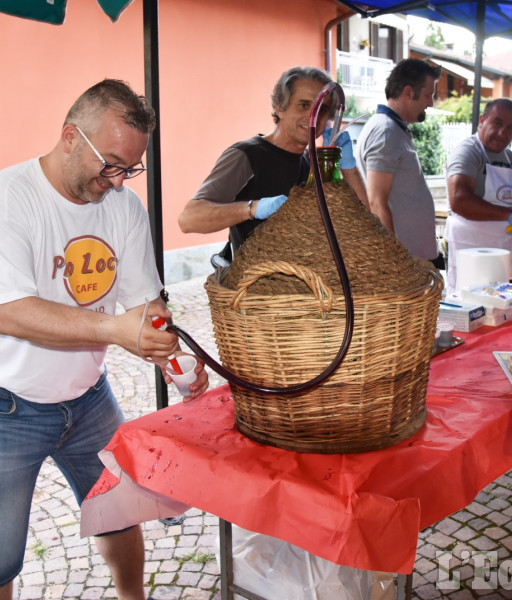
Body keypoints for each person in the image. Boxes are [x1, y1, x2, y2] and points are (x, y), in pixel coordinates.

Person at [0, 79, 209, 600]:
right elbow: (9, 311)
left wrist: (170, 353)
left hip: (90, 399)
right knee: (1, 554)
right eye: (111, 163)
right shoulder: (10, 198)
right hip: (9, 406)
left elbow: (144, 302)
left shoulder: (124, 206)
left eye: (130, 168)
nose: (117, 181)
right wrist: (112, 330)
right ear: (71, 136)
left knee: (119, 513)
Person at [179, 66, 342, 259]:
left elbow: (355, 220)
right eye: (304, 105)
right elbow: (189, 219)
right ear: (279, 108)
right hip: (254, 284)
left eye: (321, 109)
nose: (313, 117)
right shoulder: (247, 156)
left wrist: (349, 166)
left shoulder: (310, 164)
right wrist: (253, 208)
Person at [443, 98, 512, 294]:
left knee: (500, 304)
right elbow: (459, 200)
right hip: (471, 250)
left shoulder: (510, 158)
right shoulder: (468, 152)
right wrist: (509, 215)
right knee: (469, 303)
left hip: (503, 250)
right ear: (482, 120)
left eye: (510, 128)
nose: (503, 133)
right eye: (497, 124)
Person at [354, 58, 443, 265]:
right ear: (409, 92)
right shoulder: (386, 131)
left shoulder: (393, 128)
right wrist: (393, 259)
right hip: (403, 261)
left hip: (412, 258)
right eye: (429, 95)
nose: (430, 102)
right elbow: (376, 202)